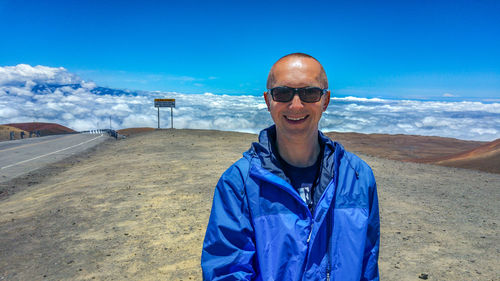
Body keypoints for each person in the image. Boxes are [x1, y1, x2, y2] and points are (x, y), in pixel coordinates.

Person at [201, 53, 380, 280]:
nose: (296, 105)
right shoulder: (239, 183)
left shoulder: (358, 178)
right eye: (283, 93)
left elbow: (368, 265)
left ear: (325, 101)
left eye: (310, 93)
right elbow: (226, 270)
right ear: (268, 101)